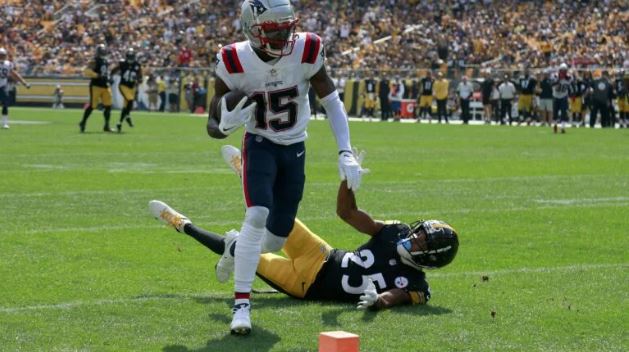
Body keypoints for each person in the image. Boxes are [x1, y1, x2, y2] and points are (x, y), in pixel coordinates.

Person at [205, 0, 363, 336]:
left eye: (287, 27)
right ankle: (242, 305)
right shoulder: (233, 61)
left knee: (275, 240)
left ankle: (236, 247)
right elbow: (212, 125)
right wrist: (225, 123)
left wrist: (345, 151)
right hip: (260, 145)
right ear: (252, 29)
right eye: (274, 30)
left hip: (295, 148)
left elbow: (331, 100)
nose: (284, 36)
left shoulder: (306, 49)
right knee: (257, 214)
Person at [148, 145, 458, 311]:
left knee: (240, 246)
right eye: (419, 231)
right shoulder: (395, 232)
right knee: (275, 212)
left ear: (430, 258)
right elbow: (346, 212)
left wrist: (380, 301)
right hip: (320, 253)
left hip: (304, 286)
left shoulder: (416, 284)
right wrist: (348, 180)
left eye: (421, 240)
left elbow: (399, 296)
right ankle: (245, 171)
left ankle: (181, 224)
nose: (413, 236)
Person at [79, 44, 114, 133]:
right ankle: (83, 122)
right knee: (93, 106)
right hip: (96, 86)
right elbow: (86, 71)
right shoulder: (94, 61)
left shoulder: (105, 61)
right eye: (102, 51)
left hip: (105, 86)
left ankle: (106, 125)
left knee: (108, 105)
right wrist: (97, 75)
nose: (103, 53)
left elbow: (105, 73)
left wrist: (109, 79)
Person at [111, 48, 142, 132]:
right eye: (130, 57)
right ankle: (127, 116)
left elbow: (140, 74)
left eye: (132, 57)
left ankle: (119, 123)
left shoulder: (137, 64)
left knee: (126, 106)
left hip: (132, 87)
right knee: (130, 100)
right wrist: (110, 77)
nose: (131, 59)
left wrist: (139, 79)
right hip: (123, 86)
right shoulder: (122, 63)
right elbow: (113, 70)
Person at [0, 47, 31, 129]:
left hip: (3, 86)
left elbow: (14, 74)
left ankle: (5, 122)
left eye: (3, 55)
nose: (2, 57)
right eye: (1, 55)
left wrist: (24, 83)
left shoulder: (8, 64)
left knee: (5, 104)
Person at [551, 63, 572, 134]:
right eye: (562, 70)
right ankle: (555, 125)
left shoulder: (569, 77)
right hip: (556, 96)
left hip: (564, 96)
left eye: (564, 70)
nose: (563, 72)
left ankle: (562, 127)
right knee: (555, 113)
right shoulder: (555, 76)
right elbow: (551, 84)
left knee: (563, 112)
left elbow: (570, 86)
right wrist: (558, 80)